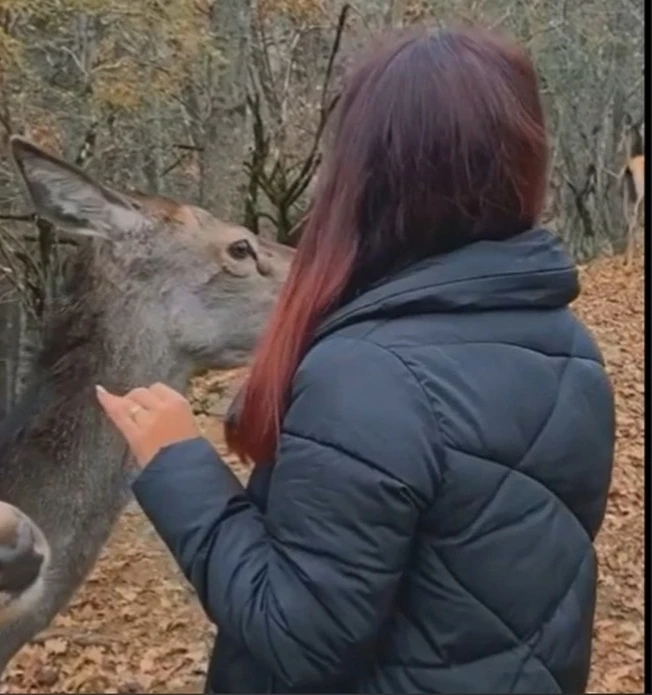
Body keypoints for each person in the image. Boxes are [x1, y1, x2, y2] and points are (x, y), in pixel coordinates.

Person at [95, 25, 616, 695]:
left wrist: (178, 464)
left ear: (368, 172)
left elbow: (296, 637)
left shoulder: (367, 375)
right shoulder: (571, 350)